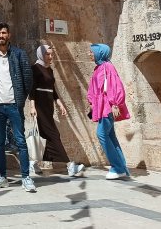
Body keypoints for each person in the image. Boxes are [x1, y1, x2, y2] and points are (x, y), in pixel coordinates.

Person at [0, 22, 35, 192]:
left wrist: (20, 100)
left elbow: (28, 79)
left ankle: (26, 177)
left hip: (14, 105)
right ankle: (2, 176)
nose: (1, 36)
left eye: (4, 33)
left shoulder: (19, 54)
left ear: (9, 35)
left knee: (20, 141)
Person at [28, 45, 85, 177]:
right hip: (40, 106)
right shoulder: (35, 68)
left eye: (51, 54)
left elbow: (53, 90)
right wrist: (32, 106)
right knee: (53, 135)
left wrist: (60, 104)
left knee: (46, 136)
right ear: (41, 54)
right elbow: (32, 89)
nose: (50, 56)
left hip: (48, 106)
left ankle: (33, 163)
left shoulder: (50, 70)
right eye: (47, 54)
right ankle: (69, 166)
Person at [87, 43, 131, 180]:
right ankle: (122, 168)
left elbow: (115, 86)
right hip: (102, 107)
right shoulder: (99, 68)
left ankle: (117, 167)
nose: (89, 54)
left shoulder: (108, 67)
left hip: (108, 107)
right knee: (110, 136)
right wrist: (91, 103)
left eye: (91, 52)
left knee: (101, 134)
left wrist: (116, 103)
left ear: (99, 53)